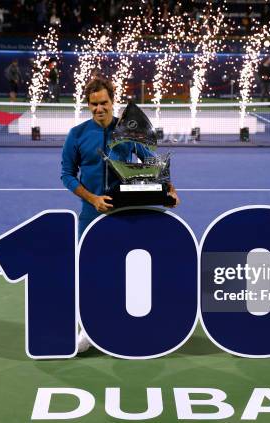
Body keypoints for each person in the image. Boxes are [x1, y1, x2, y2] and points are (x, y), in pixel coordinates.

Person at [60, 77, 179, 353]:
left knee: (128, 272)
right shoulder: (76, 135)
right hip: (91, 215)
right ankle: (87, 330)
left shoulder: (127, 131)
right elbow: (66, 175)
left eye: (104, 103)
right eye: (93, 104)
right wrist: (93, 198)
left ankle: (132, 325)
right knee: (89, 273)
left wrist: (170, 190)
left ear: (113, 102)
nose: (99, 108)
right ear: (87, 105)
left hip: (125, 214)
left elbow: (151, 160)